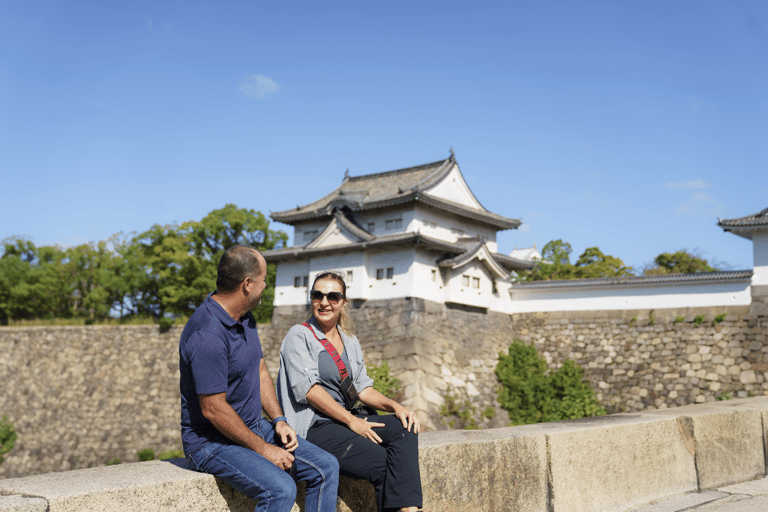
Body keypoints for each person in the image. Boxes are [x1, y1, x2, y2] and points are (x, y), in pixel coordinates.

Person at [179, 246, 339, 512]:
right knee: (280, 490)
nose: (266, 286)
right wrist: (264, 450)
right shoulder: (207, 334)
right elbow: (213, 409)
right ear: (247, 284)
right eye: (264, 280)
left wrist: (279, 420)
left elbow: (260, 368)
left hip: (253, 426)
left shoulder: (244, 317)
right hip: (211, 442)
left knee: (327, 467)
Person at [277, 271, 423, 512]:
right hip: (315, 426)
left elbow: (363, 388)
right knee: (386, 466)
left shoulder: (350, 341)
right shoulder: (299, 335)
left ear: (343, 302)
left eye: (333, 296)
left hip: (344, 420)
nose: (324, 302)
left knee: (405, 427)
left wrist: (396, 407)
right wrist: (352, 421)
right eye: (318, 295)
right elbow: (309, 391)